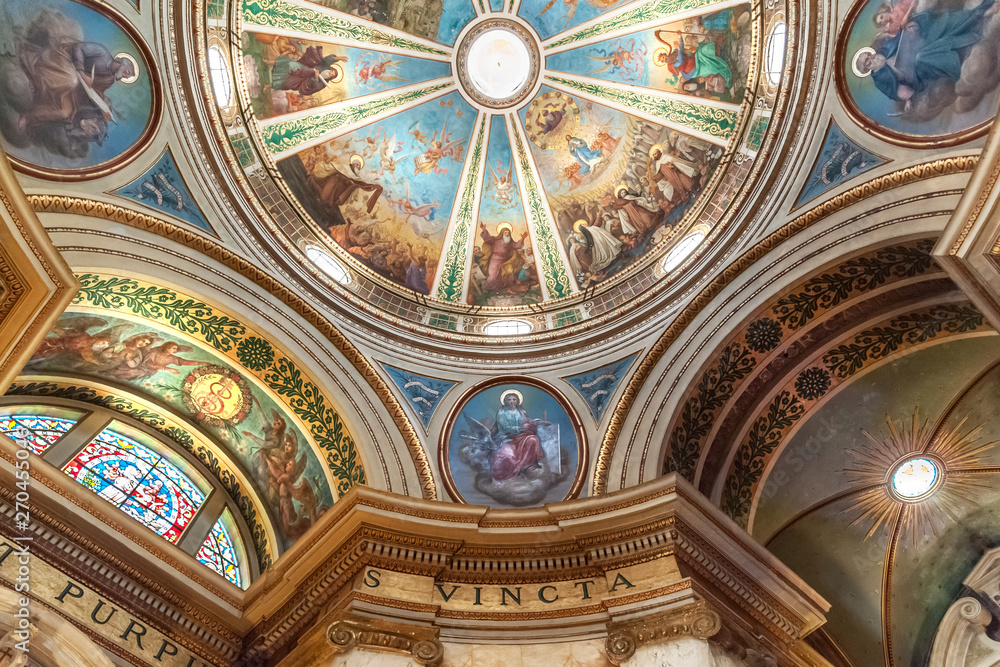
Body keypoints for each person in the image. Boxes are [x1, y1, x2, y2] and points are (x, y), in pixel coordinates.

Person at [489, 390, 546, 483]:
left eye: (514, 399)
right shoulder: (501, 413)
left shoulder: (520, 411)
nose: (511, 402)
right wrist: (519, 428)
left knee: (533, 439)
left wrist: (538, 422)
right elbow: (504, 428)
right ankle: (515, 470)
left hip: (521, 435)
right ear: (505, 401)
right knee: (507, 454)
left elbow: (528, 422)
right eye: (509, 400)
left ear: (518, 401)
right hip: (507, 437)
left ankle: (526, 466)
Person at [478, 223, 527, 291]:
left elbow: (516, 245)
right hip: (495, 260)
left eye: (508, 233)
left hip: (505, 260)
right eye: (505, 233)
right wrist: (484, 230)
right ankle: (489, 288)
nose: (507, 234)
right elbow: (487, 239)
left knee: (504, 275)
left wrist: (522, 239)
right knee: (493, 274)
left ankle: (500, 289)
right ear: (501, 233)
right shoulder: (495, 240)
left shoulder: (509, 241)